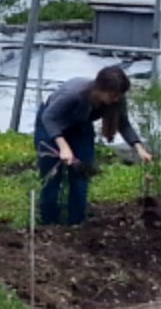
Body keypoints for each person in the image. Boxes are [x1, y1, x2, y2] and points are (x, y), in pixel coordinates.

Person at [33, 64, 152, 228]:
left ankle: (75, 224)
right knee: (52, 176)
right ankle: (49, 224)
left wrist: (139, 148)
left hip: (80, 125)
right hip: (51, 123)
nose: (116, 99)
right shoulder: (73, 94)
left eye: (119, 95)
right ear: (100, 88)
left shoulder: (116, 99)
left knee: (81, 175)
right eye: (113, 95)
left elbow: (123, 124)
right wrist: (63, 146)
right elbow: (49, 118)